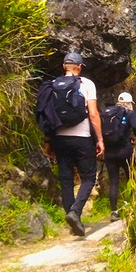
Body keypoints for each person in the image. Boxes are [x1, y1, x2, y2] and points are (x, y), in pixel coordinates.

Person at [44, 52, 104, 236]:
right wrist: (100, 139)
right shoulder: (86, 84)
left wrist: (48, 142)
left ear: (64, 67)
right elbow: (93, 114)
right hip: (82, 137)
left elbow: (47, 116)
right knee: (88, 178)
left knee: (66, 179)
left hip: (59, 138)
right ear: (80, 67)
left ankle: (72, 220)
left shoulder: (53, 85)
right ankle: (75, 212)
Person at [103, 92, 136, 221]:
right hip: (125, 151)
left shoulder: (107, 112)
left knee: (114, 181)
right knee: (132, 177)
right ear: (129, 103)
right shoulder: (129, 113)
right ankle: (130, 205)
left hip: (109, 153)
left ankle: (114, 212)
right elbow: (135, 127)